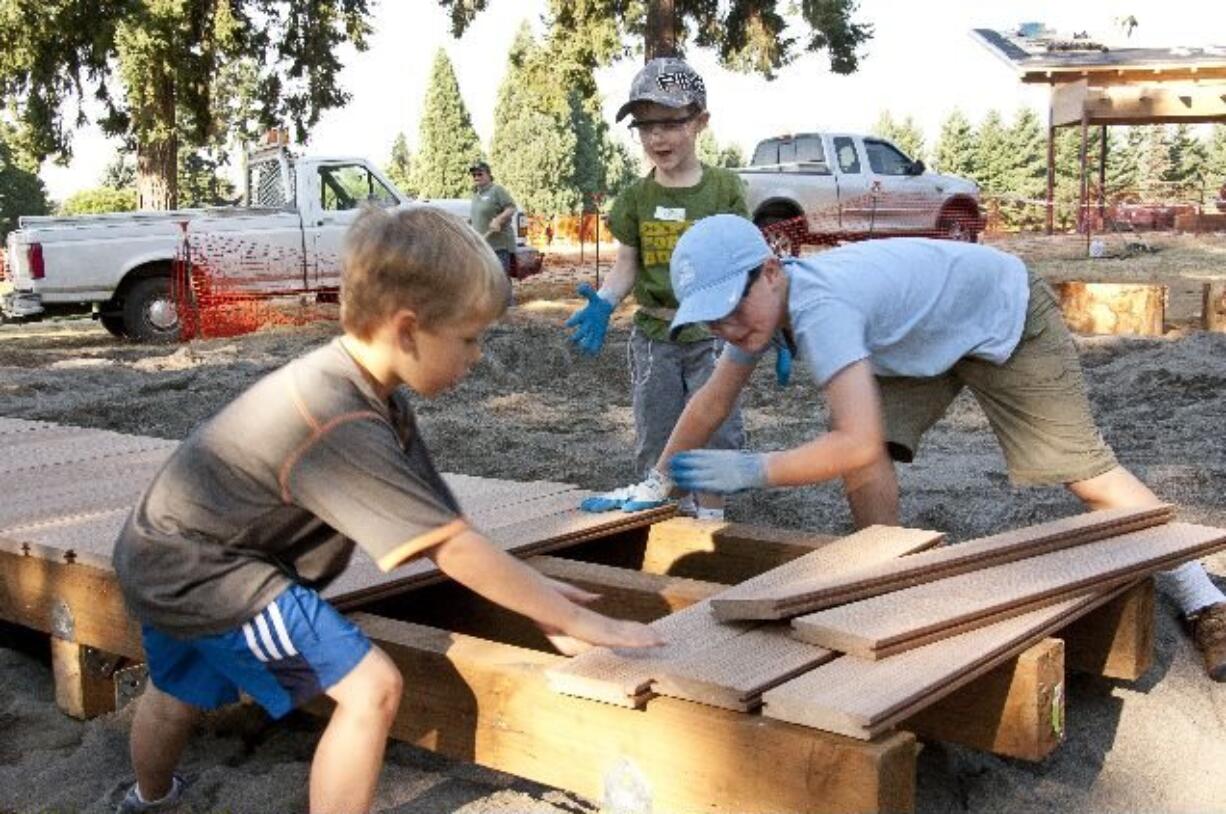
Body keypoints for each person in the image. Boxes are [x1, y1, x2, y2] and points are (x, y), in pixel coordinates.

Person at [111, 207, 663, 814]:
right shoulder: (339, 418)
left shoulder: (370, 395)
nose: (477, 357)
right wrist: (578, 620)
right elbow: (447, 548)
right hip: (208, 572)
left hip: (159, 550)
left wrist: (540, 602)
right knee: (371, 688)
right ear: (406, 330)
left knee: (176, 686)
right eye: (469, 337)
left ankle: (148, 798)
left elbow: (451, 530)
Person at [652, 213, 1224, 682]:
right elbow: (711, 400)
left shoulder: (821, 306)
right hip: (926, 335)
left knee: (1084, 473)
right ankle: (885, 580)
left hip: (1007, 314)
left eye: (732, 308)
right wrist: (654, 482)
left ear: (772, 271)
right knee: (866, 449)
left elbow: (854, 442)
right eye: (712, 319)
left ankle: (1205, 600)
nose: (726, 327)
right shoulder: (763, 311)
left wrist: (754, 469)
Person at [565, 56, 766, 521]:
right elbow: (627, 267)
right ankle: (666, 520)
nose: (658, 137)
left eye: (672, 123)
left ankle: (711, 521)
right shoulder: (636, 199)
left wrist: (765, 324)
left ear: (700, 122)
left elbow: (747, 263)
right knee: (657, 434)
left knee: (715, 432)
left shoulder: (723, 190)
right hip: (655, 339)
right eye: (645, 126)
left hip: (714, 336)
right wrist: (606, 301)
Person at [469, 160, 518, 302]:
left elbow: (511, 208)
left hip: (499, 243)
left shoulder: (497, 190)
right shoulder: (476, 195)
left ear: (489, 175)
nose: (476, 177)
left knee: (500, 276)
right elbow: (477, 216)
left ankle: (508, 306)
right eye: (474, 175)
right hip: (483, 243)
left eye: (480, 173)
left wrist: (499, 219)